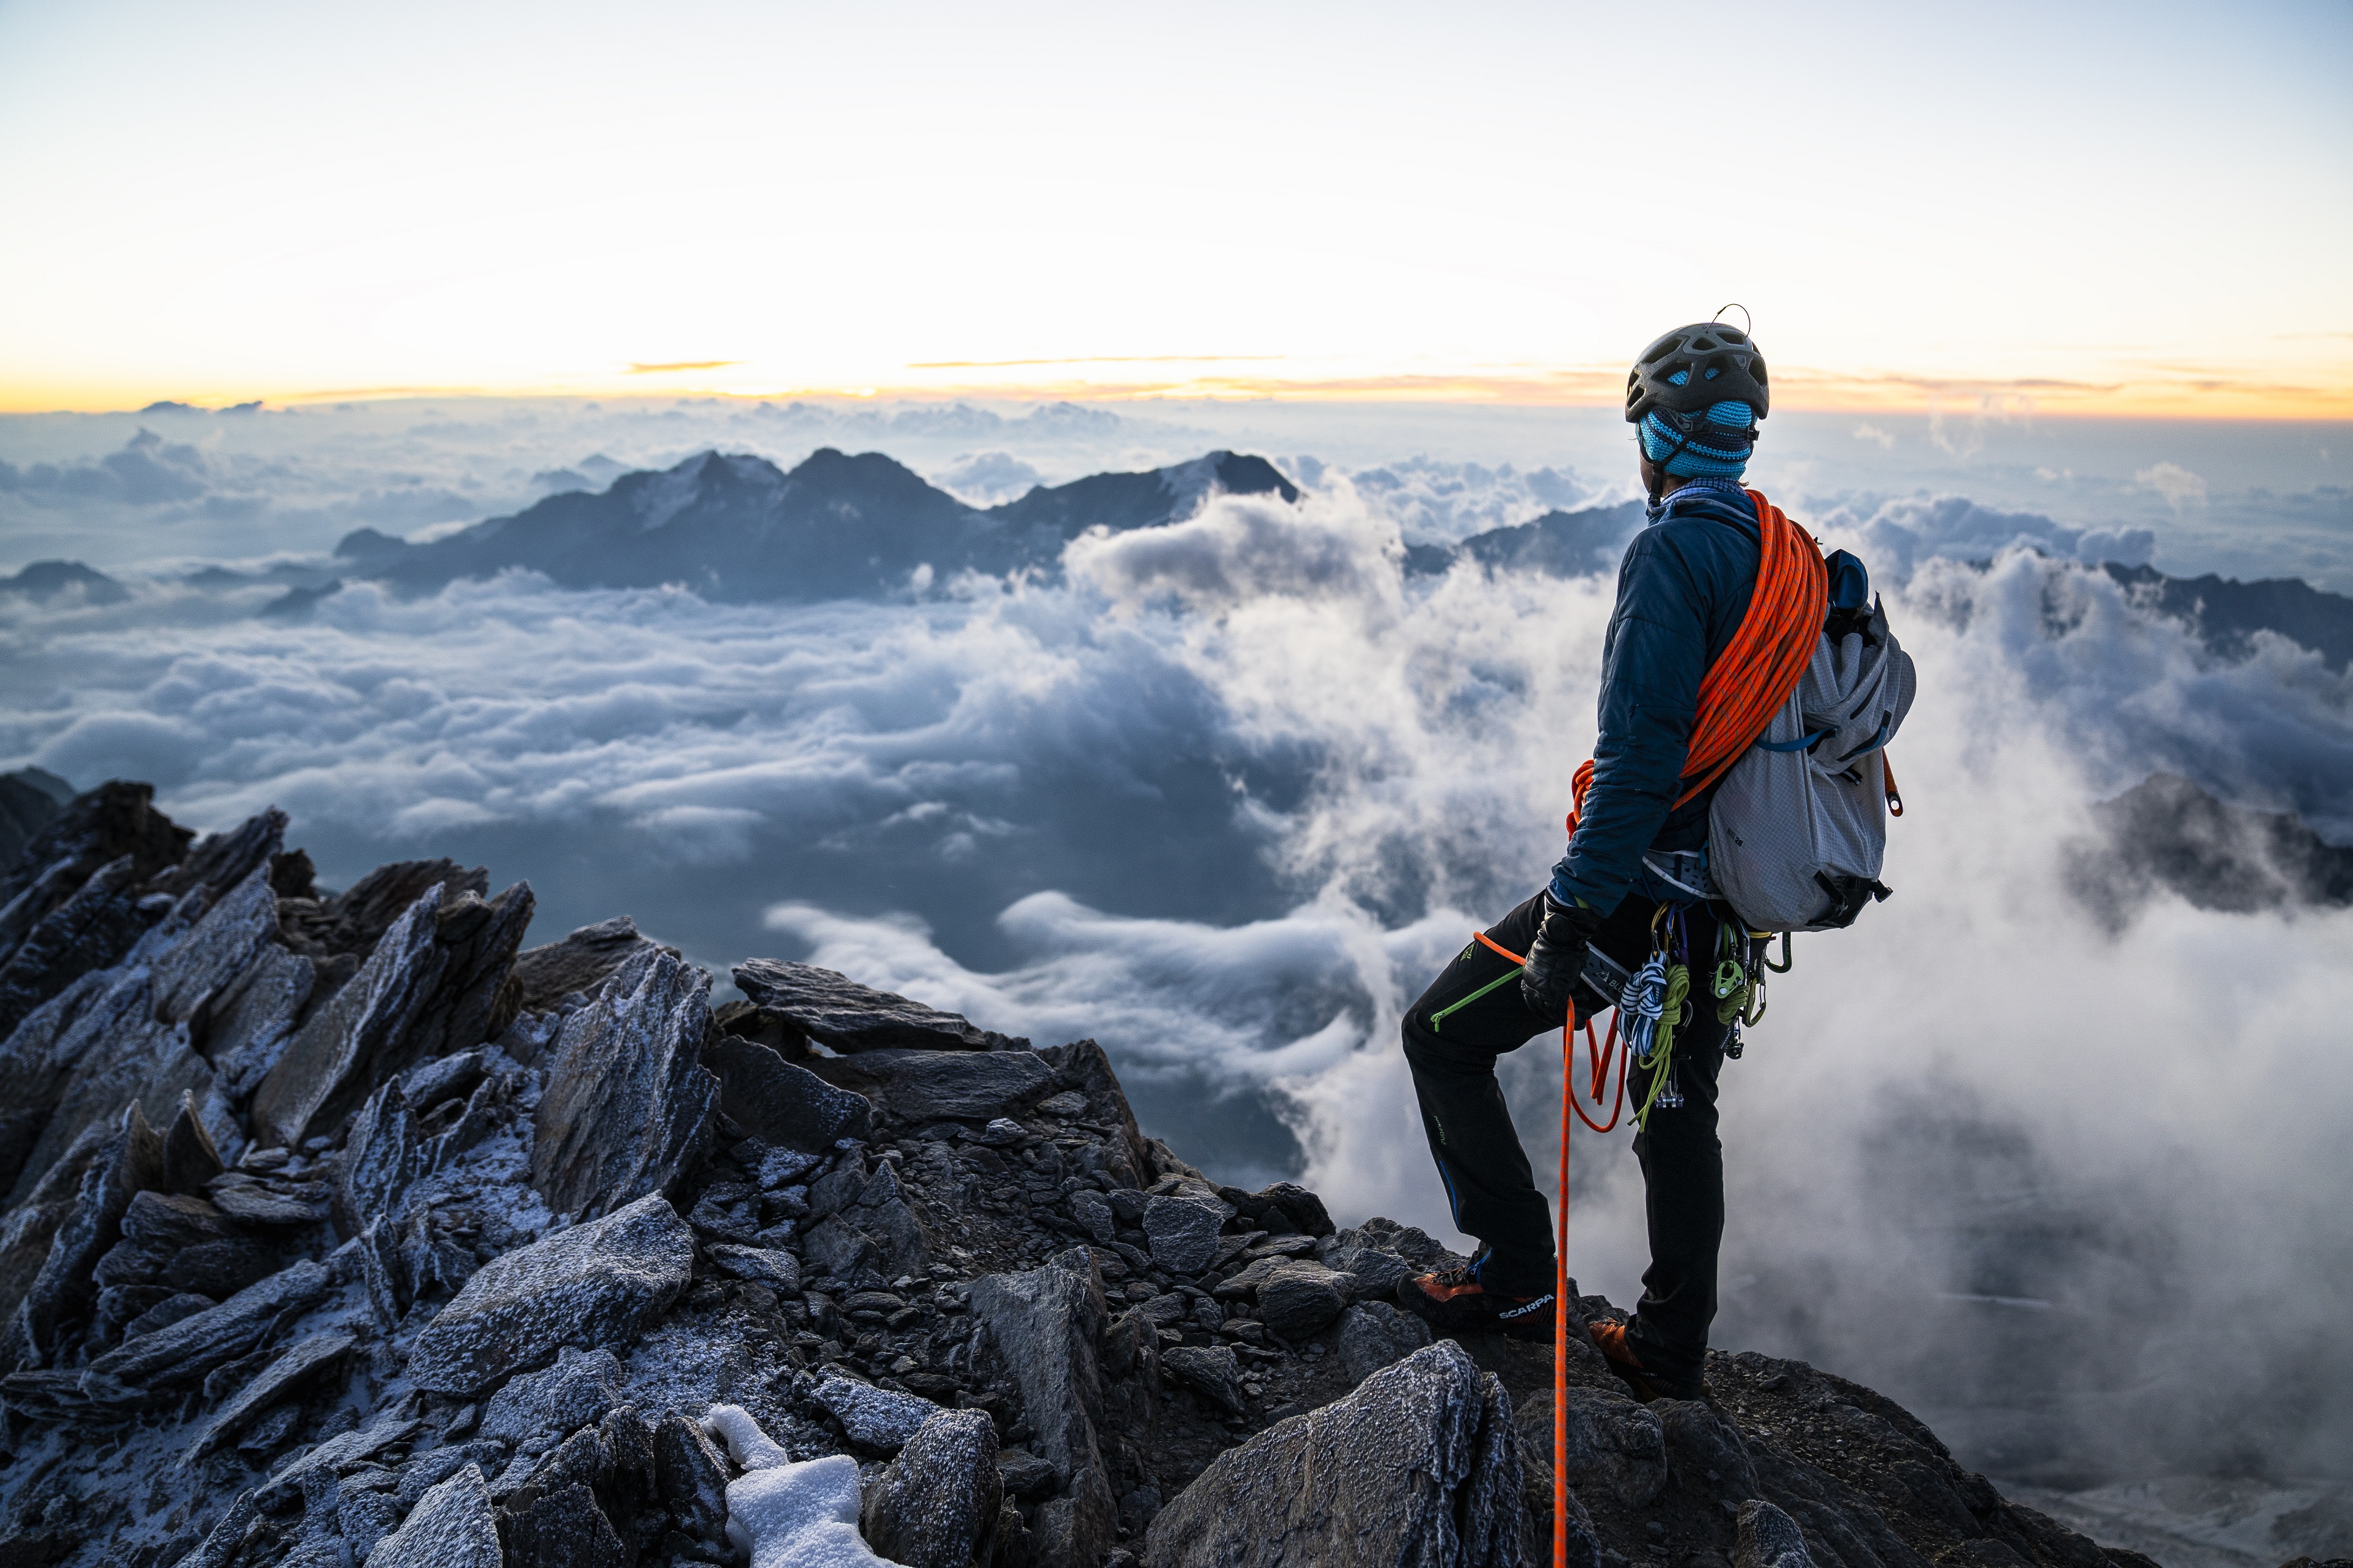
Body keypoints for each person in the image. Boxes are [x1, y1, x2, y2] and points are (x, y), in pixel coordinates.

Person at [1392, 319, 1778, 1402]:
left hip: (1640, 902)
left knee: (1441, 1037)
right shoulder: (1781, 550)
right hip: (1730, 910)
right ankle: (1668, 1350)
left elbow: (1637, 769)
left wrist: (1567, 923)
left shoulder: (1671, 553)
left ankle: (1518, 1277)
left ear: (1655, 431)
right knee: (1677, 1113)